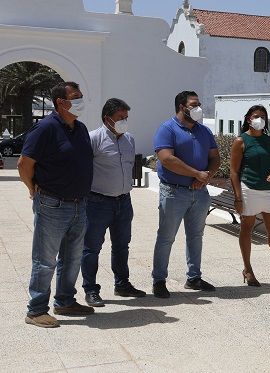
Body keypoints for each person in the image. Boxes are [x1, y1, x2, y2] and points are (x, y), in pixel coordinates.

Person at [18, 81, 95, 327]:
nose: (81, 99)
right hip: (52, 204)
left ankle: (64, 301)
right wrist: (32, 188)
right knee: (45, 259)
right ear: (61, 102)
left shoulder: (80, 128)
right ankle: (36, 310)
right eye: (76, 96)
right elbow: (24, 164)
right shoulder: (45, 128)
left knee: (72, 258)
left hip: (79, 205)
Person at [151, 91, 221, 298]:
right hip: (173, 192)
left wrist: (206, 177)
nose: (199, 108)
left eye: (199, 104)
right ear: (182, 107)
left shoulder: (204, 131)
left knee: (196, 236)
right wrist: (196, 174)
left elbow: (215, 157)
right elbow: (167, 159)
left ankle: (194, 277)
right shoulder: (167, 129)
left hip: (199, 193)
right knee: (166, 237)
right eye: (194, 104)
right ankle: (159, 280)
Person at [80, 98, 146, 308]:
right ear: (107, 119)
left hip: (124, 202)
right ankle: (90, 289)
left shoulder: (129, 140)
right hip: (97, 202)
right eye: (120, 118)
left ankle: (122, 284)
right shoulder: (93, 139)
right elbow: (82, 169)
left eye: (126, 118)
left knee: (121, 246)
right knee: (91, 248)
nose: (124, 122)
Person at [229, 105, 270, 286]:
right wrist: (238, 198)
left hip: (268, 191)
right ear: (248, 119)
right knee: (247, 229)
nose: (259, 119)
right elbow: (233, 172)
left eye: (263, 116)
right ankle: (247, 269)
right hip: (249, 189)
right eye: (256, 116)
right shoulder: (241, 141)